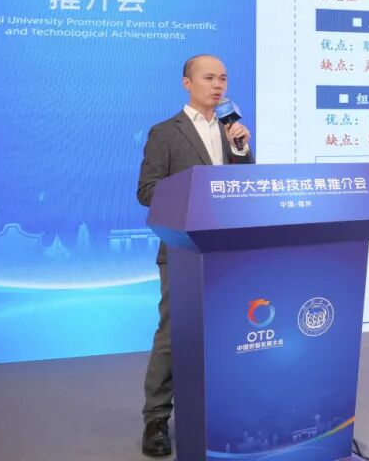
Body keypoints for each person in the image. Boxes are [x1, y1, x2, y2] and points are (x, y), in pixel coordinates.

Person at [136, 54, 254, 457]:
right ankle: (156, 419)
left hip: (226, 251)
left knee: (228, 332)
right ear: (187, 83)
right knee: (173, 335)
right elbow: (147, 191)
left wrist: (241, 152)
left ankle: (222, 412)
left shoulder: (231, 131)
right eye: (208, 78)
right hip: (182, 250)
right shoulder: (165, 133)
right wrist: (197, 191)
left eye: (223, 78)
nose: (218, 85)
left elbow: (244, 190)